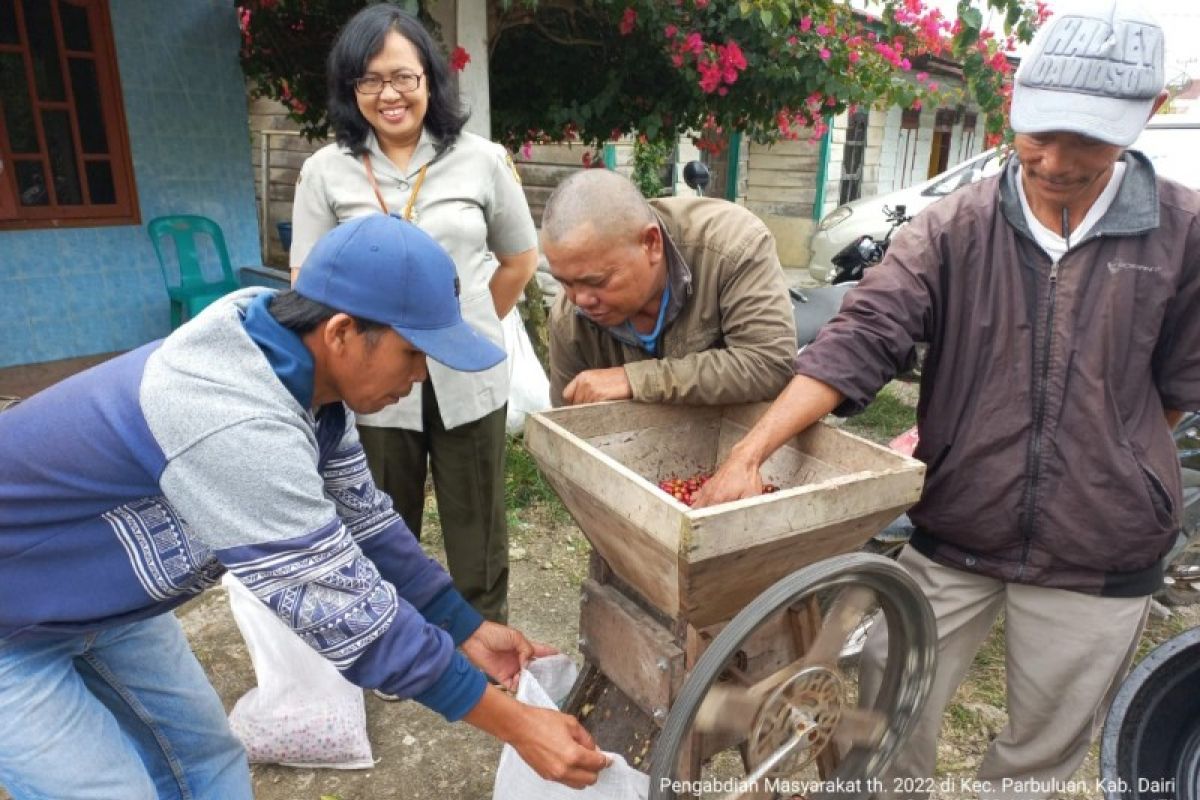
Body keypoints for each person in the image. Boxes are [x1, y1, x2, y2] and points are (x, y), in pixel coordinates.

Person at [694, 1, 1199, 798]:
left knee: (1037, 756)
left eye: (1089, 138)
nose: (1058, 160)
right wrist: (748, 455)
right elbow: (860, 336)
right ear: (1014, 107)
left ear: (1146, 116)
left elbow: (1176, 390)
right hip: (957, 525)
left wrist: (1115, 462)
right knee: (890, 715)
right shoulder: (952, 227)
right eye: (1040, 133)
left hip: (1103, 553)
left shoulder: (1184, 233)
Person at [0, 214, 608, 799]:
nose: (422, 376)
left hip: (102, 610)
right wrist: (518, 725)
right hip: (10, 626)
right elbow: (349, 616)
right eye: (413, 353)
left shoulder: (305, 382)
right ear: (342, 332)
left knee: (203, 760)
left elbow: (365, 522)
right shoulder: (232, 418)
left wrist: (465, 627)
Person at [290, 5, 538, 624]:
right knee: (383, 523)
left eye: (403, 75)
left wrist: (448, 338)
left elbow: (518, 260)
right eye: (370, 80)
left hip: (468, 376)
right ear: (352, 90)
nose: (389, 94)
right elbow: (306, 281)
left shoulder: (483, 159)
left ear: (430, 77)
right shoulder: (325, 172)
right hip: (374, 385)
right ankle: (400, 643)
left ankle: (485, 643)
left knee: (476, 527)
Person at [541, 168, 797, 407]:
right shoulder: (568, 318)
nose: (581, 300)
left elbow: (769, 362)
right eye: (565, 282)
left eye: (597, 281)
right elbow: (567, 426)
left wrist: (635, 380)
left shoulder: (732, 248)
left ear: (651, 244)